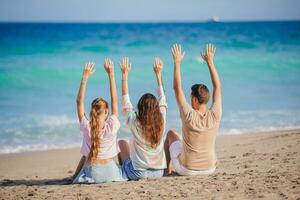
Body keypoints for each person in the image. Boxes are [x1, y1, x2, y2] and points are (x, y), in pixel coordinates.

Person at [164, 43, 222, 176]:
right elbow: (217, 87)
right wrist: (210, 62)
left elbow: (177, 88)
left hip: (187, 169)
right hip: (210, 168)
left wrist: (177, 63)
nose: (190, 100)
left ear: (195, 99)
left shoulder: (188, 115)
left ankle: (167, 169)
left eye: (191, 97)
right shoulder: (215, 114)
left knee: (171, 134)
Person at [72, 59, 127, 183]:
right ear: (106, 112)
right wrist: (111, 74)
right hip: (111, 173)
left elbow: (79, 102)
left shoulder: (87, 127)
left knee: (85, 156)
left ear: (91, 112)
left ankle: (74, 177)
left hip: (93, 174)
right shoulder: (112, 126)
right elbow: (114, 100)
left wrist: (85, 77)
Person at [118, 57, 168, 180]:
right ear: (156, 108)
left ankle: (123, 172)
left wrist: (124, 75)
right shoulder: (162, 120)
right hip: (159, 172)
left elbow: (125, 100)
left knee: (121, 143)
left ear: (140, 107)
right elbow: (162, 97)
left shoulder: (134, 121)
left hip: (138, 173)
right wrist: (158, 74)